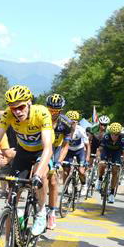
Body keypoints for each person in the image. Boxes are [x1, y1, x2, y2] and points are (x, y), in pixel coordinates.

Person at [0, 85, 54, 238]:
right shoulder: (9, 114)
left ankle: (41, 212)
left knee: (40, 176)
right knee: (11, 201)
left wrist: (38, 173)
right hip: (23, 153)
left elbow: (48, 147)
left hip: (41, 151)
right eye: (13, 108)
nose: (17, 111)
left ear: (29, 103)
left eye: (20, 107)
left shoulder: (41, 113)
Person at [46, 94, 70, 229]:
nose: (53, 113)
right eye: (50, 110)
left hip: (55, 149)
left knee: (53, 180)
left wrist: (58, 162)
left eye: (56, 111)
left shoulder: (65, 123)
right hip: (42, 147)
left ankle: (52, 211)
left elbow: (65, 146)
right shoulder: (40, 117)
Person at [97, 122, 124, 204]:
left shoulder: (122, 139)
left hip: (116, 153)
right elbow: (100, 149)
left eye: (116, 134)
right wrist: (98, 158)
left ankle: (111, 193)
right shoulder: (106, 136)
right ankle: (100, 180)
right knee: (102, 164)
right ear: (110, 133)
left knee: (115, 170)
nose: (114, 136)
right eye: (113, 134)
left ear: (119, 134)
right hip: (106, 151)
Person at [64, 111, 90, 189]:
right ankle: (65, 189)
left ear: (77, 122)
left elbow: (87, 145)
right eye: (70, 122)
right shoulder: (64, 129)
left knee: (81, 171)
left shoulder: (81, 130)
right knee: (66, 171)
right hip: (69, 151)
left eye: (73, 122)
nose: (71, 124)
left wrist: (87, 158)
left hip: (80, 150)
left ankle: (84, 184)